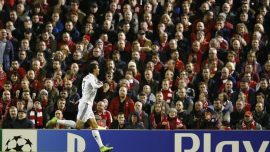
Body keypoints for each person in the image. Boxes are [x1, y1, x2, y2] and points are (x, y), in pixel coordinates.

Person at [47, 62, 113, 152]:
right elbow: (94, 85)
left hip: (86, 104)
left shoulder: (87, 77)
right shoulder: (91, 78)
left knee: (94, 126)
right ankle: (56, 120)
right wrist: (102, 84)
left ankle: (101, 147)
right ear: (93, 69)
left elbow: (87, 90)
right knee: (78, 126)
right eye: (97, 68)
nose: (99, 69)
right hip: (85, 105)